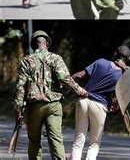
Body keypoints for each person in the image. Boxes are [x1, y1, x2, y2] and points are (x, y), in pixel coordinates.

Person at [13, 31, 88, 159]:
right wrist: (80, 91)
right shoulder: (55, 58)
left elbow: (20, 87)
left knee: (34, 142)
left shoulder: (27, 61)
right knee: (56, 140)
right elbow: (65, 78)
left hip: (34, 106)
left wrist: (18, 110)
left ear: (33, 45)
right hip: (53, 105)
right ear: (47, 43)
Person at [70, 45, 130, 159]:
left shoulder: (101, 62)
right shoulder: (123, 75)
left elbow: (78, 75)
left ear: (115, 54)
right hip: (99, 106)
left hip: (84, 100)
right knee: (94, 144)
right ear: (128, 60)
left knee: (78, 140)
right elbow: (116, 96)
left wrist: (70, 86)